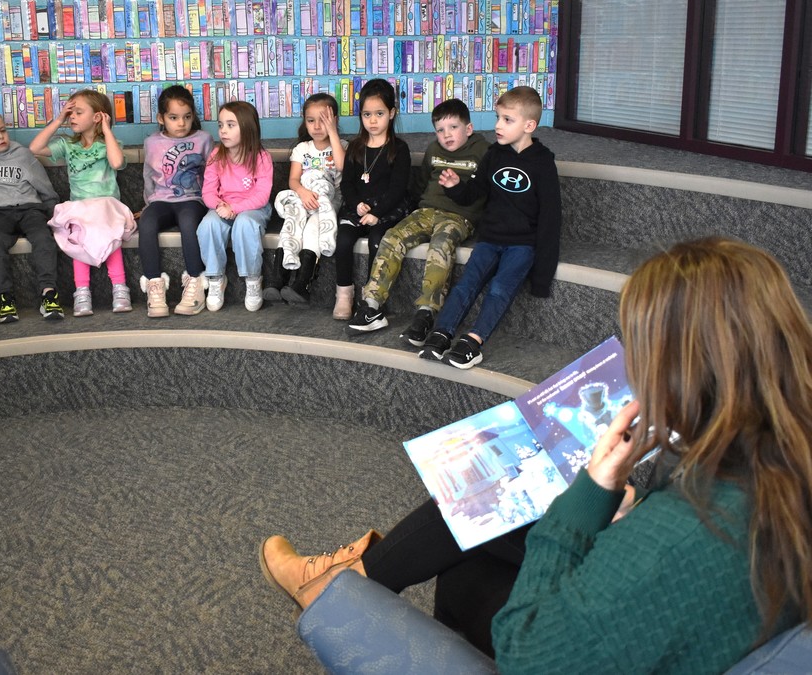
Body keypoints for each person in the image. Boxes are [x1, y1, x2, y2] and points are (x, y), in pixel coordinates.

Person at [261, 236, 812, 673]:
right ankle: (357, 573)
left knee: (469, 562)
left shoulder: (683, 536)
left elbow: (531, 656)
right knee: (486, 507)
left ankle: (346, 579)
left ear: (679, 373)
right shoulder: (782, 454)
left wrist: (589, 497)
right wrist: (634, 504)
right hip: (707, 614)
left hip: (591, 640)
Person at [418, 86, 561, 369]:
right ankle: (441, 333)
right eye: (498, 117)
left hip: (523, 244)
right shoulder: (495, 154)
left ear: (529, 125)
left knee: (498, 289)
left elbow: (550, 219)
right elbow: (475, 192)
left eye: (507, 120)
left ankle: (473, 341)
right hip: (490, 238)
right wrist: (456, 188)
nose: (497, 125)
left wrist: (542, 278)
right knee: (465, 285)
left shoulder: (543, 163)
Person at [346, 98, 489, 344]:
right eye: (440, 130)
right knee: (392, 236)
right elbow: (421, 184)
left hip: (458, 217)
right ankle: (371, 305)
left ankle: (426, 314)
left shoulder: (483, 151)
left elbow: (486, 190)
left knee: (440, 246)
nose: (447, 135)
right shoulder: (434, 150)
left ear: (469, 129)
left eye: (454, 128)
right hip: (425, 212)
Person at [30, 89, 135, 317]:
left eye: (78, 112)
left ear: (97, 117)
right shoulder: (68, 145)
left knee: (110, 236)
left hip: (106, 206)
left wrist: (106, 130)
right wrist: (58, 120)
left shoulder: (110, 143)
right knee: (78, 238)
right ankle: (82, 291)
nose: (72, 117)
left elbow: (116, 162)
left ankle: (119, 287)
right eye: (71, 113)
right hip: (80, 208)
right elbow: (35, 148)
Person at [0, 109, 64, 322]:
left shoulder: (22, 154)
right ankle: (5, 297)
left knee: (42, 238)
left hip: (30, 208)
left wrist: (53, 213)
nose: (1, 136)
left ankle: (48, 293)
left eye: (2, 130)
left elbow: (44, 186)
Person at [331, 79, 411, 320]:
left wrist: (377, 213)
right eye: (367, 114)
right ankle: (344, 295)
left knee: (378, 240)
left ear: (392, 113)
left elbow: (398, 188)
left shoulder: (399, 148)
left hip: (386, 209)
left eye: (379, 113)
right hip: (357, 208)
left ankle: (371, 298)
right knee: (343, 241)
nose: (373, 120)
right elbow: (347, 183)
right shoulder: (356, 147)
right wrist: (356, 204)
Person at [138, 85, 213, 317]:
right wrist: (147, 204)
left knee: (189, 222)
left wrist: (212, 204)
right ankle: (154, 286)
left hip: (193, 200)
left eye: (187, 117)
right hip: (160, 200)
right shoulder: (152, 142)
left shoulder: (203, 139)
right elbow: (148, 176)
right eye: (173, 117)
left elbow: (212, 173)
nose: (181, 123)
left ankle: (195, 282)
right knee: (147, 223)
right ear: (161, 118)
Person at [265, 92, 346, 306]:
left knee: (312, 229)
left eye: (323, 120)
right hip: (304, 196)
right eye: (311, 121)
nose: (317, 126)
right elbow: (293, 180)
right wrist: (302, 192)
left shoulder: (342, 146)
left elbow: (341, 166)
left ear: (334, 121)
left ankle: (302, 284)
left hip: (328, 202)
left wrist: (334, 134)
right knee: (292, 225)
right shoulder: (302, 149)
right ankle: (277, 280)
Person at [196, 100, 273, 312]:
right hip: (223, 207)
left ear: (247, 127)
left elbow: (262, 196)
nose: (223, 131)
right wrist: (220, 205)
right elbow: (208, 192)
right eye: (221, 125)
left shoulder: (261, 157)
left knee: (244, 225)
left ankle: (252, 279)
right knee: (208, 225)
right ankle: (215, 277)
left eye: (231, 125)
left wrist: (236, 209)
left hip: (252, 209)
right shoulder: (215, 156)